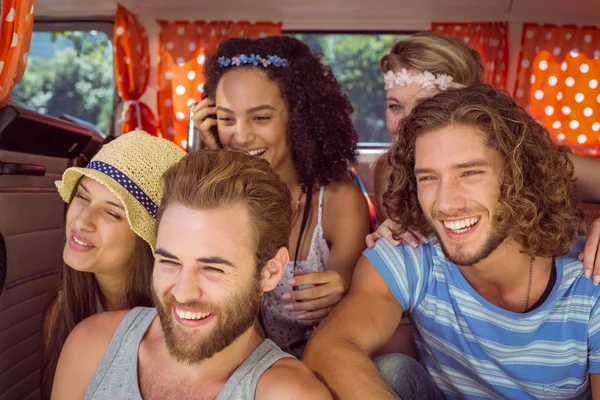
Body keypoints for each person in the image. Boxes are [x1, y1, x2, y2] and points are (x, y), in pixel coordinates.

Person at [304, 84, 600, 399]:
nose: (447, 204)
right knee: (391, 371)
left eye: (470, 173)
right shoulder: (410, 254)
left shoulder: (589, 275)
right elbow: (328, 347)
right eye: (428, 178)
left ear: (519, 174)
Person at [51, 150, 333, 400]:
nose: (182, 293)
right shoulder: (90, 345)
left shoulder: (289, 394)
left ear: (269, 272)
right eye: (169, 261)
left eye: (212, 268)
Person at [370, 31, 600, 300]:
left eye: (425, 106)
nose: (408, 123)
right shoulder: (387, 172)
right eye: (395, 106)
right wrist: (389, 238)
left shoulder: (529, 157)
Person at [190, 36, 371, 357]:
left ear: (300, 118)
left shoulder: (338, 198)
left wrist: (342, 286)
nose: (241, 137)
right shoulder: (220, 189)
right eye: (227, 119)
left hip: (322, 363)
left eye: (260, 118)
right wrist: (215, 158)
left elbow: (348, 280)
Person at [41, 130, 185, 397]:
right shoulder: (61, 311)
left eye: (111, 213)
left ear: (147, 238)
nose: (82, 221)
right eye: (83, 197)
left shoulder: (180, 331)